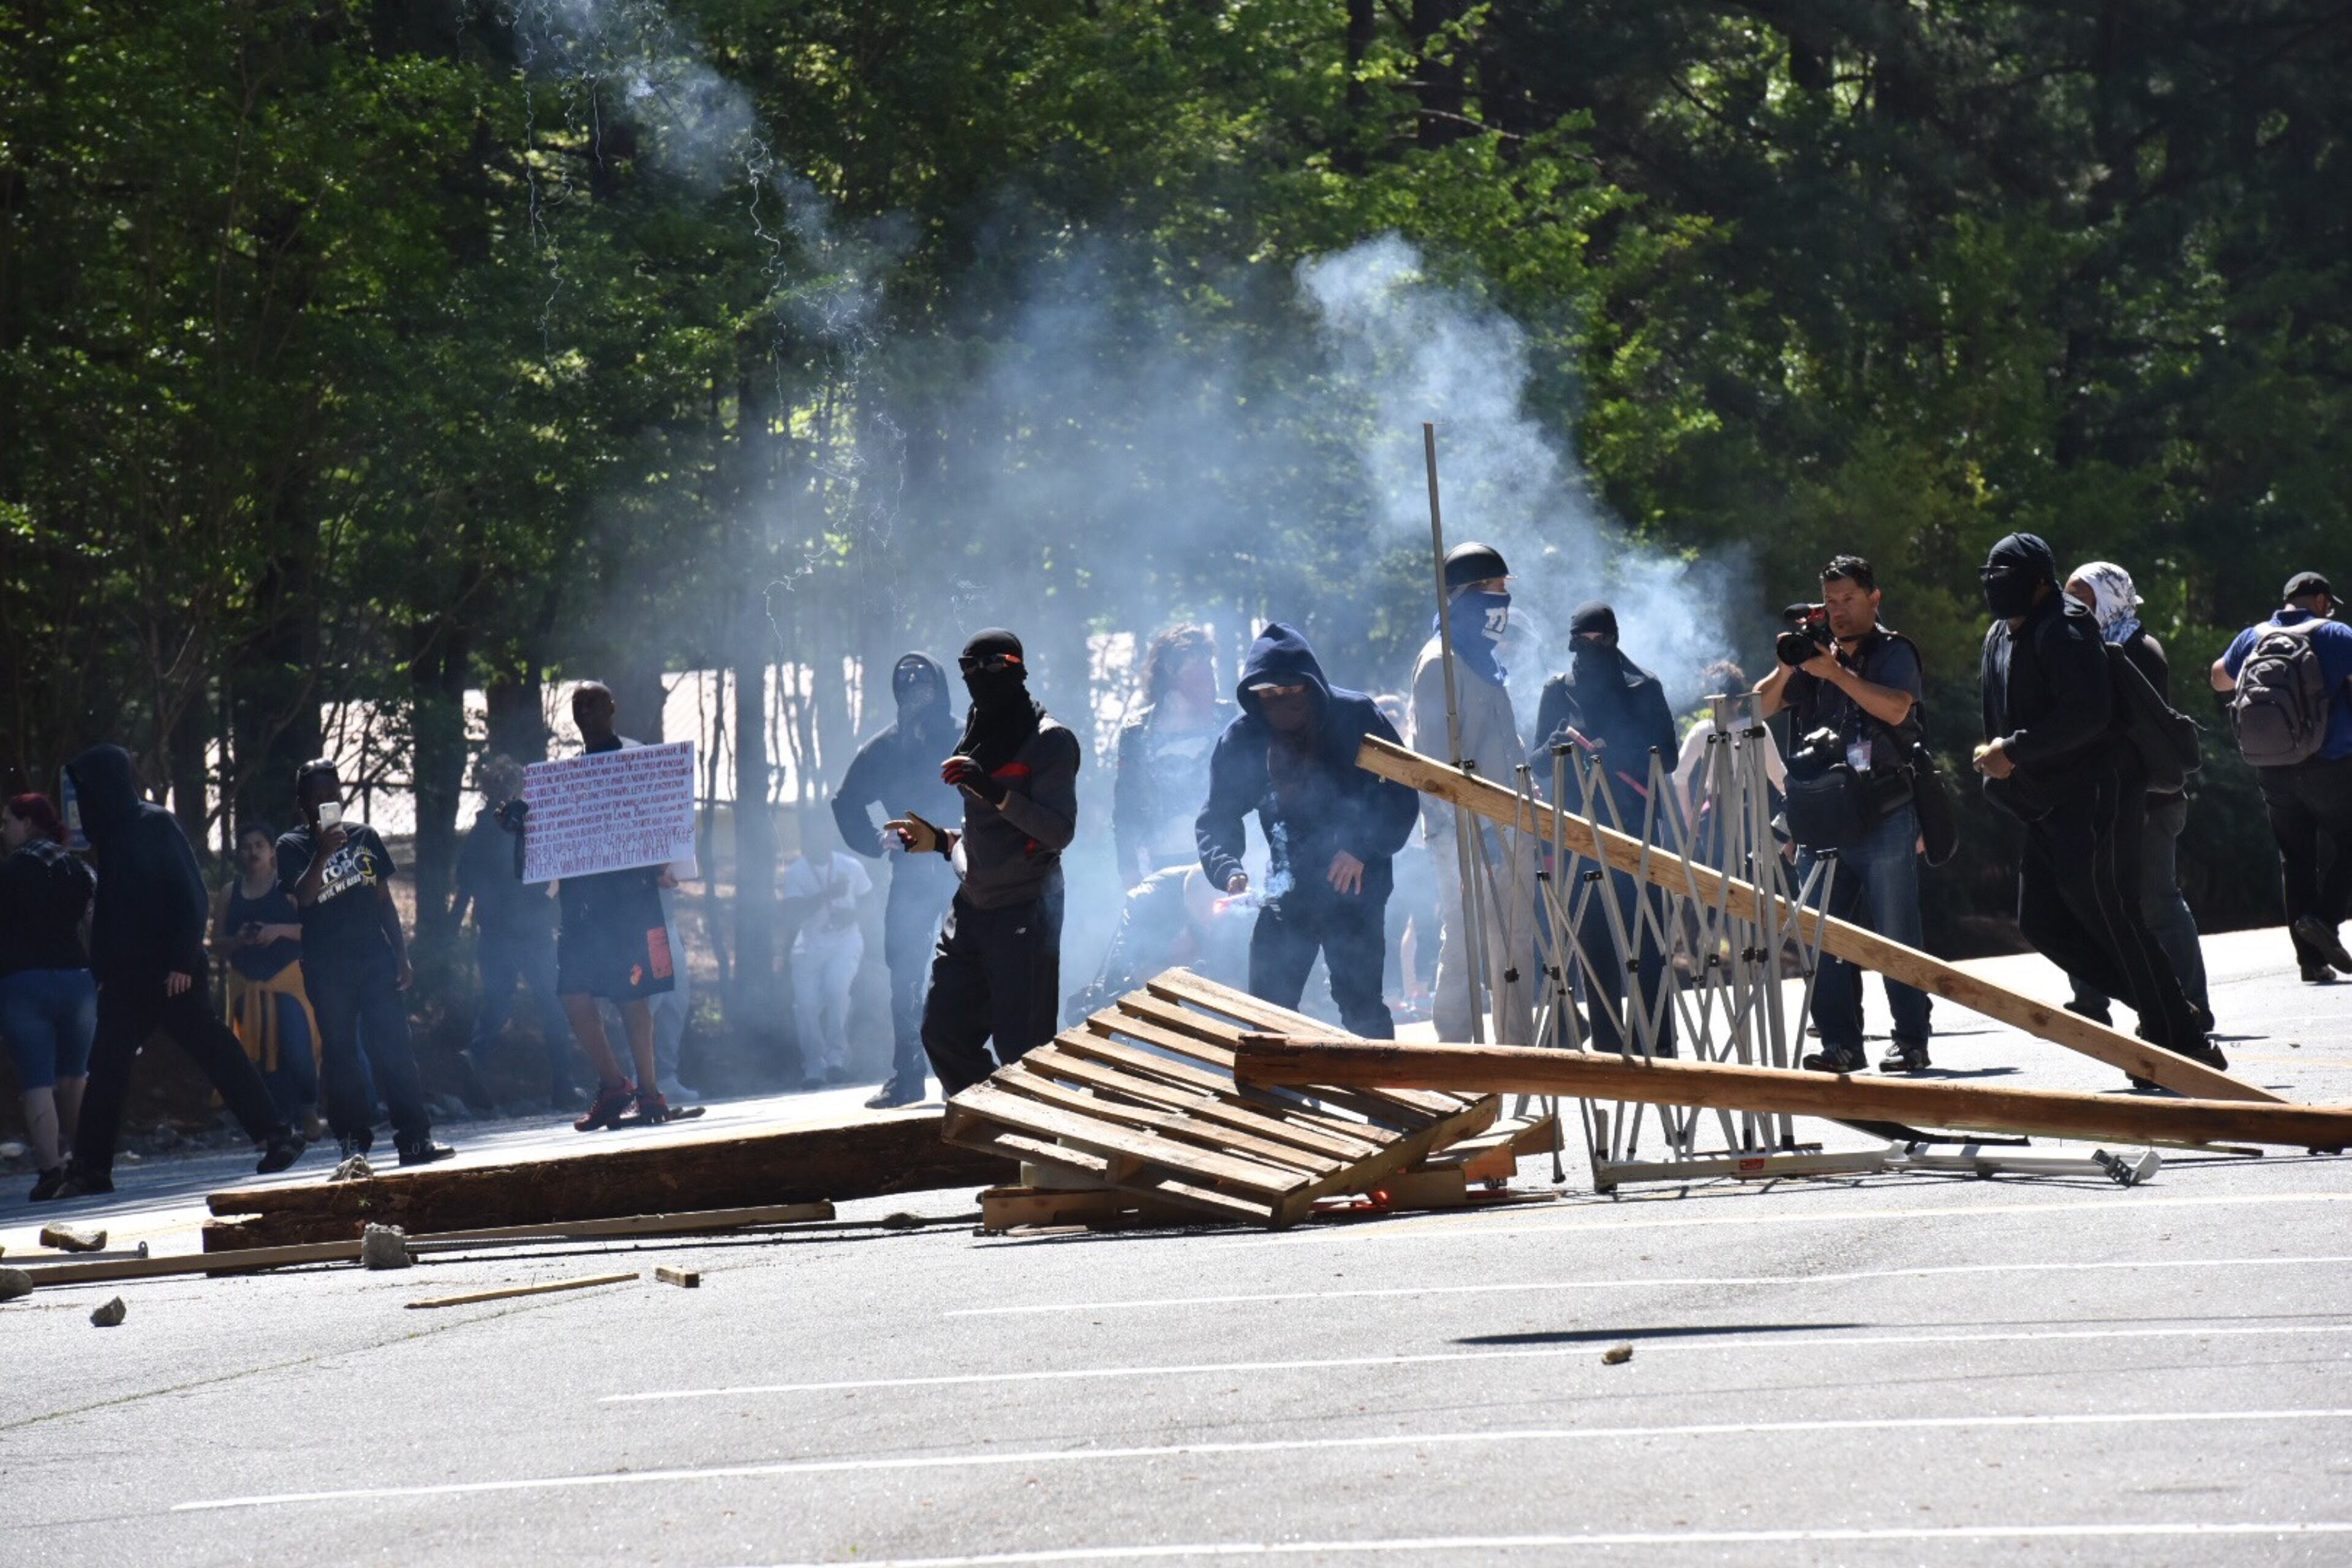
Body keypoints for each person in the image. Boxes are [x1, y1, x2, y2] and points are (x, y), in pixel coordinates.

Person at [1973, 533, 2225, 1077]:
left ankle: (2179, 1035)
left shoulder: (2066, 627)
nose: (1996, 584)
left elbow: (2089, 713)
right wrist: (1999, 760)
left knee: (2111, 912)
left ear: (2041, 579)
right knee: (2040, 921)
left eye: (2008, 574)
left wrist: (2013, 751)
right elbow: (1998, 707)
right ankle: (2165, 1008)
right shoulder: (1998, 635)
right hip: (2044, 802)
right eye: (1989, 574)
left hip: (2096, 793)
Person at [55, 745, 305, 1196]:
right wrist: (104, 970)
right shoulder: (111, 835)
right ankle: (91, 1168)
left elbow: (191, 895)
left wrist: (180, 960)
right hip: (127, 979)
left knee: (214, 1049)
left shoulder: (156, 824)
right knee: (107, 1065)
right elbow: (114, 910)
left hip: (173, 974)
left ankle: (277, 1135)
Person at [1753, 556, 1934, 1072]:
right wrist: (1790, 666)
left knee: (1896, 932)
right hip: (1821, 820)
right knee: (1822, 937)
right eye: (1829, 602)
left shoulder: (1893, 651)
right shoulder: (1812, 659)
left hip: (1885, 814)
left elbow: (1897, 708)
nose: (1838, 611)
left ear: (1874, 598)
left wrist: (1838, 673)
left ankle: (1911, 1039)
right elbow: (1755, 710)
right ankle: (1840, 1042)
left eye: (1848, 600)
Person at [1197, 622, 1419, 1039]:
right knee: (1268, 1011)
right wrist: (1229, 870)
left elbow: (1400, 790)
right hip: (1286, 891)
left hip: (1355, 887)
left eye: (1289, 692)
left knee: (1362, 1008)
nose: (1279, 703)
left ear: (1310, 686)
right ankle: (1274, 1100)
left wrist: (1360, 847)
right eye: (1268, 696)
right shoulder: (1245, 737)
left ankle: (1380, 1098)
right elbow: (1218, 815)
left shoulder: (1356, 717)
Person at [889, 630, 1081, 1096]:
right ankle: (995, 1130)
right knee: (943, 1034)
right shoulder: (975, 730)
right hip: (971, 909)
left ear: (1018, 669)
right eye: (969, 669)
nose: (981, 677)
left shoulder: (1050, 740)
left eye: (994, 666)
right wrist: (939, 841)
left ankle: (1033, 1150)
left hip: (1027, 909)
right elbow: (982, 838)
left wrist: (995, 792)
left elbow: (1059, 832)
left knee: (1026, 1051)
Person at [278, 760, 453, 1165]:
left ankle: (414, 1138)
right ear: (302, 804)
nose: (326, 802)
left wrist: (402, 954)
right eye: (316, 798)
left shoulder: (364, 837)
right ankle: (353, 1144)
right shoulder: (292, 847)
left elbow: (383, 900)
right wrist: (322, 854)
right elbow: (303, 897)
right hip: (327, 968)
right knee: (341, 1054)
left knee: (393, 1047)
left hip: (374, 959)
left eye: (332, 795)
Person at [2063, 562, 2212, 1028]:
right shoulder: (2087, 649)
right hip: (2102, 797)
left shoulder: (2137, 650)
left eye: (2083, 599)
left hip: (2149, 800)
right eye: (2068, 598)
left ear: (2110, 600)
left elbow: (2126, 726)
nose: (2074, 609)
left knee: (2156, 902)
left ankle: (2192, 1005)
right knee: (2088, 898)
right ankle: (2090, 1002)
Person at [1531, 603, 1681, 1056]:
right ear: (1573, 642)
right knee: (1594, 942)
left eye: (1603, 640)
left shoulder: (1644, 686)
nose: (1594, 649)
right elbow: (1537, 762)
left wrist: (1620, 753)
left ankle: (1658, 1045)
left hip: (1637, 831)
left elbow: (1668, 758)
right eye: (1585, 641)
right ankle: (1611, 1048)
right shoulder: (1558, 690)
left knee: (1647, 940)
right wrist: (1557, 748)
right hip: (1581, 835)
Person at [1409, 542, 1536, 1046]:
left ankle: (1518, 1056)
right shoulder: (1440, 662)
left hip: (1510, 822)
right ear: (1465, 596)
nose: (1503, 601)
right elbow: (1438, 766)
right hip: (1465, 833)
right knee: (1464, 946)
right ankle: (1458, 1055)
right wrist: (1471, 834)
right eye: (1494, 589)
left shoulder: (1481, 657)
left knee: (1516, 946)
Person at [551, 681, 685, 1129]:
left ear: (613, 706)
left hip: (630, 900)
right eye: (577, 706)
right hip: (582, 905)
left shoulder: (638, 760)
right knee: (571, 992)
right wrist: (525, 823)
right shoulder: (565, 774)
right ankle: (613, 1084)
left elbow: (666, 818)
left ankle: (650, 1093)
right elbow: (557, 835)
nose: (584, 712)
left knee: (634, 995)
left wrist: (668, 865)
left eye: (592, 703)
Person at [832, 652, 962, 1108]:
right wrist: (873, 841)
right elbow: (845, 801)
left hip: (960, 870)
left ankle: (961, 1074)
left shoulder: (965, 737)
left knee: (962, 970)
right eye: (905, 681)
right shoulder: (884, 748)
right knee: (905, 974)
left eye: (923, 680)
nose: (914, 687)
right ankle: (906, 1077)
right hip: (909, 877)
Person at [2212, 570, 2352, 982]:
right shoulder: (2335, 634)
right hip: (2330, 763)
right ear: (2323, 600)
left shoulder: (2253, 635)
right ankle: (2324, 920)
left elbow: (2220, 677)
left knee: (2296, 858)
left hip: (2272, 766)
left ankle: (2310, 960)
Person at [453, 756, 581, 1110]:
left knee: (497, 1000)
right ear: (518, 789)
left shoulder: (479, 833)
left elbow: (464, 881)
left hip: (493, 933)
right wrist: (547, 902)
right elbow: (546, 874)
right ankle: (564, 1086)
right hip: (532, 932)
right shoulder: (527, 827)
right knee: (554, 1005)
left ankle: (475, 1053)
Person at [1, 794, 97, 1200]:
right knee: (76, 1075)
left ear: (28, 824)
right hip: (78, 981)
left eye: (8, 821)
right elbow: (96, 923)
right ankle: (86, 1160)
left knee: (37, 1080)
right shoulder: (80, 870)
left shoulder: (9, 873)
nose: (3, 830)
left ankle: (50, 1169)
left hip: (24, 984)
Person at [210, 821, 319, 1130]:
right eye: (246, 847)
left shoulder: (289, 886)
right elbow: (217, 943)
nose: (253, 852)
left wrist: (277, 932)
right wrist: (239, 940)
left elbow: (313, 930)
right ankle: (278, 1120)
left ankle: (308, 1107)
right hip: (247, 985)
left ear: (272, 851)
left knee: (298, 1048)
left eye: (259, 845)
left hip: (288, 981)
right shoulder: (230, 893)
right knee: (260, 1051)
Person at [1113, 625, 1232, 889]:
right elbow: (1126, 807)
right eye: (1197, 676)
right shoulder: (1138, 732)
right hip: (1162, 862)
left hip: (1225, 859)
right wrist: (1128, 867)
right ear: (1171, 680)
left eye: (1209, 672)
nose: (1208, 684)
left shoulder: (1230, 721)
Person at [781, 844, 873, 1088]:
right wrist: (827, 895)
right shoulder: (796, 872)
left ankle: (837, 1058)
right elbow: (793, 913)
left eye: (821, 834)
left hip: (846, 939)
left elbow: (870, 902)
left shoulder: (850, 866)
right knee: (806, 1004)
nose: (816, 841)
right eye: (811, 836)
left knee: (836, 989)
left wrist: (851, 917)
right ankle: (813, 1065)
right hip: (809, 943)